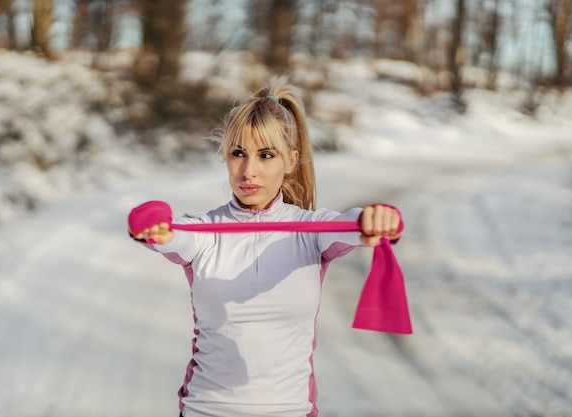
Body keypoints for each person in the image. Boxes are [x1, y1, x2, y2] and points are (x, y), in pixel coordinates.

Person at [128, 76, 402, 417]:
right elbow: (169, 236)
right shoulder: (204, 232)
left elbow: (351, 225)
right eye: (237, 154)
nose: (248, 171)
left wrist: (375, 218)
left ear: (290, 161)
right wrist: (152, 224)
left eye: (266, 155)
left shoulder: (311, 230)